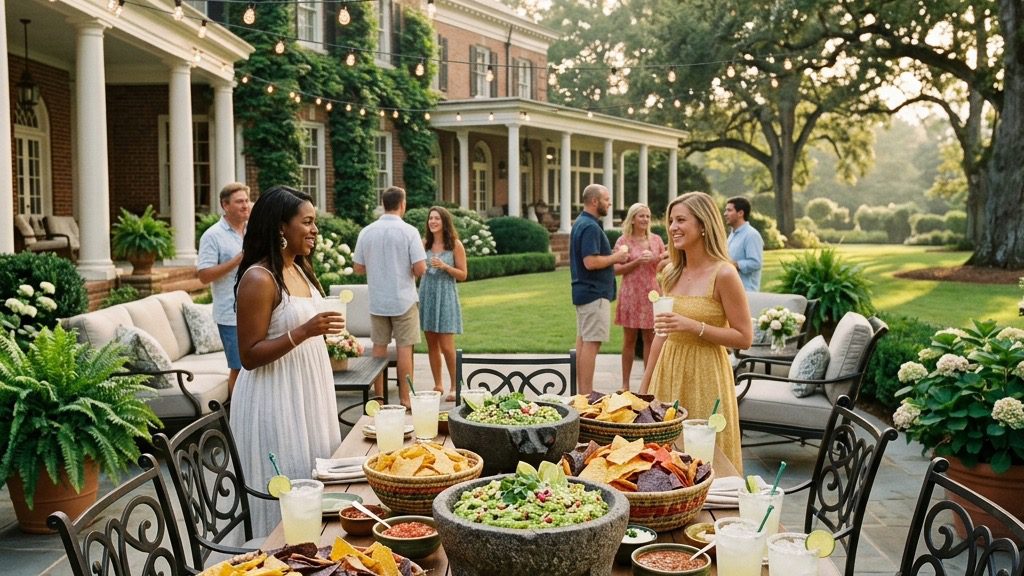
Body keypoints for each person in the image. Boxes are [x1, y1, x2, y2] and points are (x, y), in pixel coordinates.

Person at [229, 185, 344, 537]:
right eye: (307, 222)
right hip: (275, 398)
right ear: (282, 227)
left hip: (308, 393)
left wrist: (322, 331)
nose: (314, 230)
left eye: (315, 223)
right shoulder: (259, 279)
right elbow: (248, 356)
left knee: (314, 482)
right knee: (288, 488)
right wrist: (306, 331)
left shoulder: (301, 269)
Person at [639, 192, 753, 472]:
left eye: (681, 220)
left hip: (706, 375)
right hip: (668, 371)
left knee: (705, 461)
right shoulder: (670, 273)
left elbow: (744, 337)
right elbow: (661, 334)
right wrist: (644, 388)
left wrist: (694, 326)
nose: (672, 227)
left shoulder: (724, 274)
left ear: (703, 225)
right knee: (663, 460)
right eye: (670, 221)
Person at [353, 186, 427, 407]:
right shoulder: (410, 232)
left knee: (379, 349)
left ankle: (379, 399)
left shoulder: (366, 231)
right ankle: (405, 398)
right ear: (402, 204)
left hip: (378, 301)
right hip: (403, 299)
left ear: (383, 203)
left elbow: (357, 268)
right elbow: (421, 268)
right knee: (405, 349)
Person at [570, 184, 629, 396]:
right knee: (591, 344)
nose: (609, 203)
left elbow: (593, 256)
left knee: (584, 342)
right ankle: (586, 395)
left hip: (585, 293)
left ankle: (582, 393)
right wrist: (617, 256)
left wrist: (610, 254)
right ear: (594, 201)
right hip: (594, 293)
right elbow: (590, 262)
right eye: (606, 199)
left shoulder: (582, 223)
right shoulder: (590, 227)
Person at [197, 182, 251, 396]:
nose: (245, 206)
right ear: (225, 205)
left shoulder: (251, 231)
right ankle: (235, 420)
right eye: (239, 202)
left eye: (247, 200)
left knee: (255, 368)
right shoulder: (212, 236)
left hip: (254, 310)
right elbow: (203, 275)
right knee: (239, 368)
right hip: (230, 314)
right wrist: (237, 261)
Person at [613, 202, 666, 391]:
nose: (645, 219)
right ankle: (625, 384)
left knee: (651, 339)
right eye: (641, 216)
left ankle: (648, 383)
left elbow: (663, 264)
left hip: (652, 293)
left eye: (647, 216)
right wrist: (637, 261)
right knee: (629, 340)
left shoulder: (657, 240)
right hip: (630, 294)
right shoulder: (623, 241)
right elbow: (616, 270)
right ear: (633, 219)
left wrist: (658, 259)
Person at [419, 206, 468, 402]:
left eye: (437, 219)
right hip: (427, 294)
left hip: (446, 295)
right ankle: (438, 384)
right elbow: (415, 268)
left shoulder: (455, 245)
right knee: (431, 344)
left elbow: (463, 275)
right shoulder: (423, 244)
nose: (432, 222)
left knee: (447, 346)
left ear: (444, 222)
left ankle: (456, 386)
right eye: (430, 218)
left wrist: (445, 266)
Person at [724, 196, 764, 291]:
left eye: (729, 210)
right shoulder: (732, 235)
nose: (725, 214)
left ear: (740, 213)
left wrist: (735, 264)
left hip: (747, 293)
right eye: (726, 210)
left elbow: (756, 263)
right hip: (732, 291)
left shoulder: (751, 235)